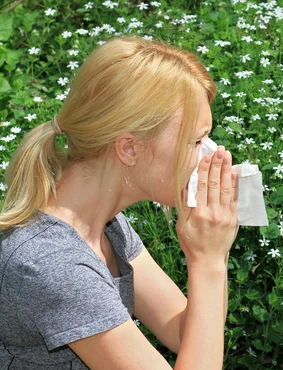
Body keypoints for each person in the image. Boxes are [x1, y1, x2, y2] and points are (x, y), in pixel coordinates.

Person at [0, 36, 239, 369]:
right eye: (195, 140)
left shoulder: (106, 227)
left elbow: (186, 332)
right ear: (129, 149)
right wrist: (207, 260)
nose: (210, 155)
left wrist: (215, 249)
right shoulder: (53, 264)